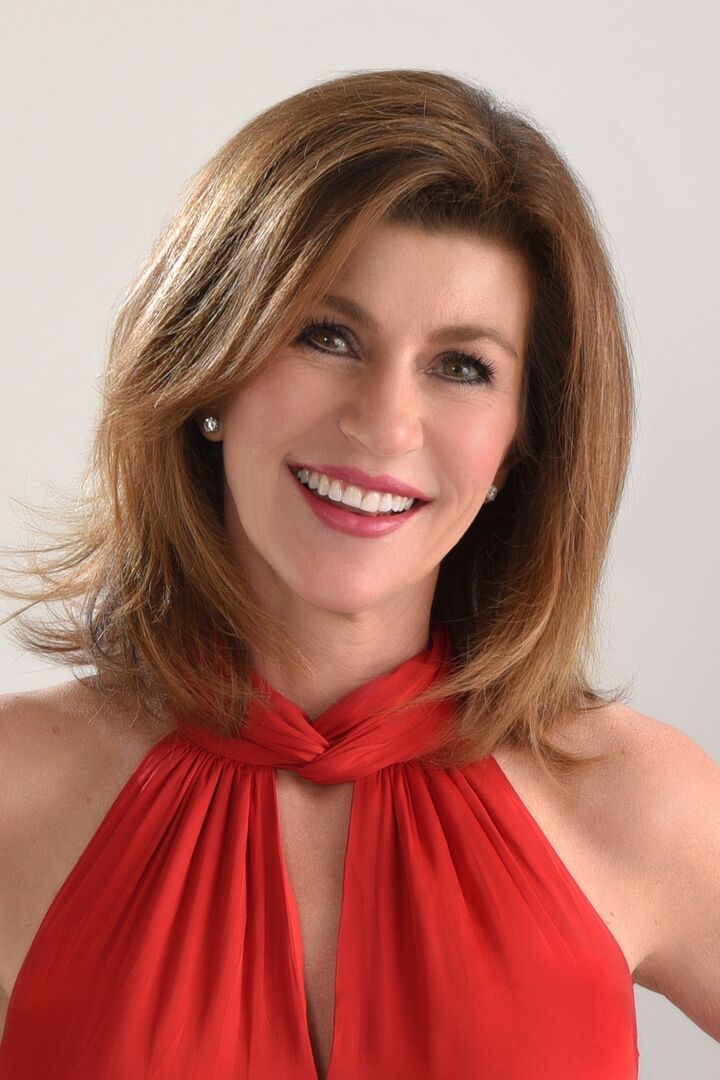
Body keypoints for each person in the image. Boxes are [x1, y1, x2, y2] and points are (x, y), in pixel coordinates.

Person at [0, 67, 717, 1079]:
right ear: (209, 368)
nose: (385, 424)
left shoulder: (637, 804)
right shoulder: (14, 797)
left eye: (462, 366)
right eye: (327, 335)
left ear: (522, 441)